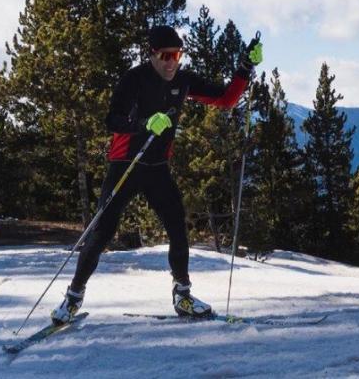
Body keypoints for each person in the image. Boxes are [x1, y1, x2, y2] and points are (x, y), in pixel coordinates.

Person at [51, 25, 263, 324]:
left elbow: (226, 99)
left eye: (176, 55)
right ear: (151, 55)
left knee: (178, 228)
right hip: (126, 164)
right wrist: (143, 123)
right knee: (101, 233)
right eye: (164, 56)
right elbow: (112, 120)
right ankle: (73, 298)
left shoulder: (184, 80)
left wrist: (245, 67)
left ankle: (183, 296)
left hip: (157, 168)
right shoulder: (134, 79)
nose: (170, 62)